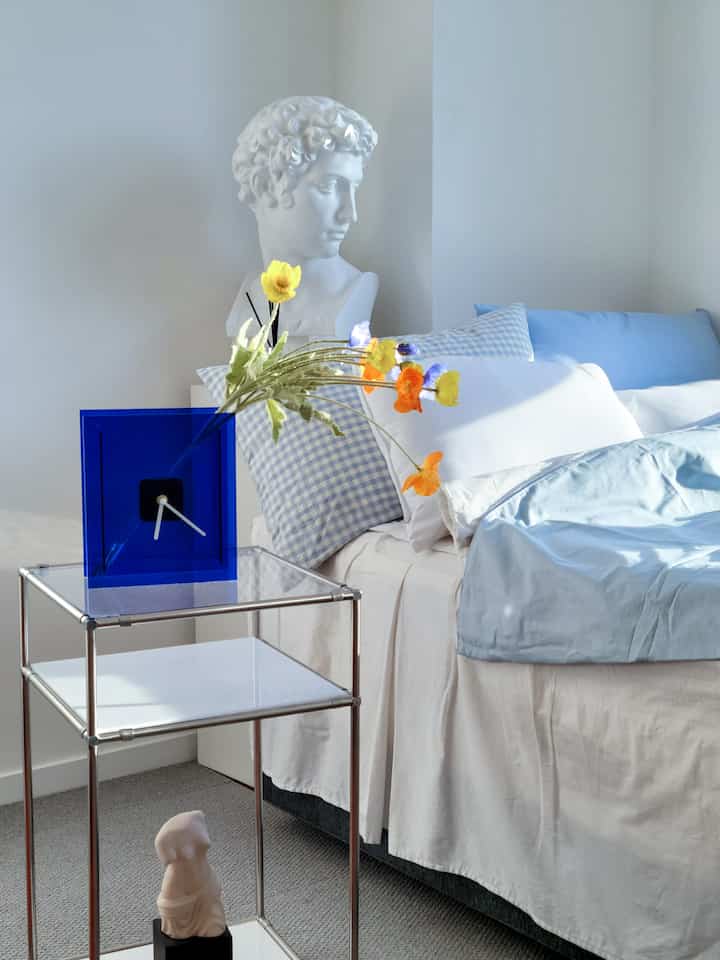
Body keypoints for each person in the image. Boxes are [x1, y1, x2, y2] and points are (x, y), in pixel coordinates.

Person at [227, 95, 379, 349]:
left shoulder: (353, 291)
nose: (350, 214)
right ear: (265, 186)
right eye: (329, 185)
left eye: (353, 188)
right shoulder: (250, 298)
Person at [154, 810, 228, 940]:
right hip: (180, 898)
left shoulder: (198, 818)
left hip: (207, 887)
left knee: (215, 929)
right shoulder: (166, 837)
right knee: (180, 933)